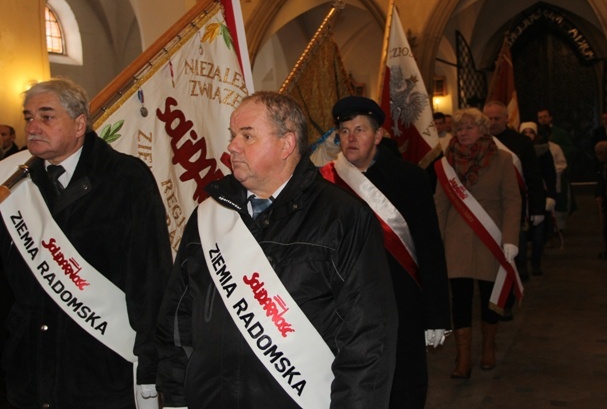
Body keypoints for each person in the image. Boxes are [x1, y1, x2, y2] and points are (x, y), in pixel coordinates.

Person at [156, 91, 398, 409]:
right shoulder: (208, 216)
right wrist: (175, 400)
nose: (232, 146)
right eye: (232, 135)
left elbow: (368, 338)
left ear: (286, 145)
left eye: (247, 136)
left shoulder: (342, 217)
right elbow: (177, 320)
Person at [0, 78, 172, 408]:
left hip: (99, 366)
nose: (33, 127)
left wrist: (152, 364)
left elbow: (150, 279)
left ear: (80, 124)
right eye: (28, 117)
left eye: (46, 116)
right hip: (28, 370)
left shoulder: (126, 179)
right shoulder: (14, 183)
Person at [320, 96, 451, 409]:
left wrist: (436, 315)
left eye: (360, 130)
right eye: (345, 130)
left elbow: (430, 248)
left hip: (401, 300)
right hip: (345, 304)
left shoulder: (410, 179)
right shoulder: (323, 182)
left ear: (378, 136)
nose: (351, 138)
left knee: (404, 386)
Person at [434, 108, 521, 379]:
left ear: (482, 130)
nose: (463, 133)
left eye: (469, 128)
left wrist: (510, 239)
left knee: (489, 298)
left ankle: (488, 347)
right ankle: (462, 358)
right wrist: (435, 241)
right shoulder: (446, 162)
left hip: (491, 237)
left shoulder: (503, 159)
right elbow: (440, 204)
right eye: (459, 129)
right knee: (459, 300)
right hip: (456, 239)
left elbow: (511, 200)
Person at [484, 101, 546, 281]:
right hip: (488, 204)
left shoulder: (522, 142)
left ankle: (520, 271)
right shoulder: (478, 140)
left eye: (497, 118)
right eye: (489, 118)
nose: (493, 122)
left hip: (516, 202)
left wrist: (537, 207)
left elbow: (533, 176)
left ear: (506, 118)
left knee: (517, 240)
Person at [519, 122, 557, 275]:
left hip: (538, 195)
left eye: (531, 132)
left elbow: (550, 175)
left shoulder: (543, 151)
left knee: (538, 232)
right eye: (525, 132)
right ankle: (521, 267)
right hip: (521, 195)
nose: (528, 135)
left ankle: (536, 263)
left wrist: (551, 196)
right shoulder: (517, 150)